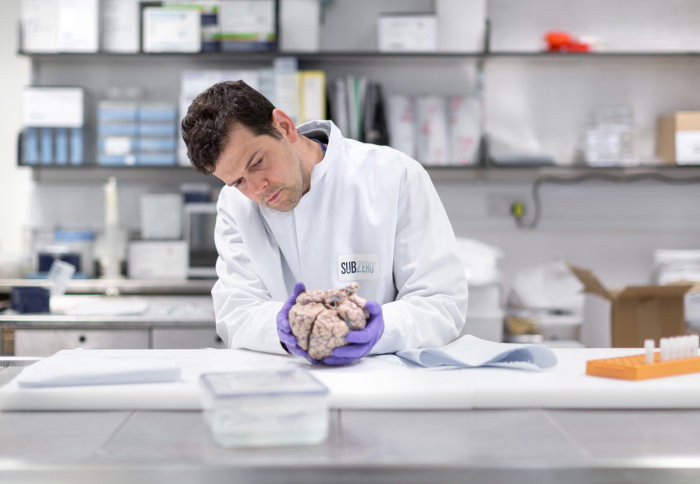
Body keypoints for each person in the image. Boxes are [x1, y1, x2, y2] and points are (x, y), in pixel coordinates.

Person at [181, 80, 468, 365]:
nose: (257, 189)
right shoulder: (235, 204)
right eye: (238, 181)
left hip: (382, 380)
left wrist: (379, 327)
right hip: (284, 381)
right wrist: (285, 327)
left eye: (257, 162)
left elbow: (441, 303)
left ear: (284, 126)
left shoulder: (394, 175)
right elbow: (237, 312)